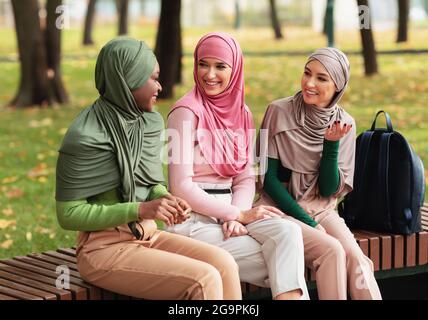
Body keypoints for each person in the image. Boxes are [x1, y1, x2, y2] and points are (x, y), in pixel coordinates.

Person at [55, 37, 242, 300]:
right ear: (127, 79)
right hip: (104, 249)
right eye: (152, 78)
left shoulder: (148, 122)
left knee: (223, 263)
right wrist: (140, 209)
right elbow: (69, 214)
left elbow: (149, 182)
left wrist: (163, 198)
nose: (160, 86)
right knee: (203, 279)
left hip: (148, 236)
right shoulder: (85, 136)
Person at [166, 32, 309, 300]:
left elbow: (244, 179)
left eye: (220, 66)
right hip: (191, 221)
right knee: (282, 261)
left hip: (233, 213)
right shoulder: (184, 112)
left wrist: (237, 214)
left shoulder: (242, 114)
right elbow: (180, 186)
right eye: (203, 64)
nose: (210, 74)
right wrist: (234, 215)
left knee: (288, 232)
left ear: (235, 68)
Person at [256, 47, 382, 300]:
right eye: (307, 73)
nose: (310, 83)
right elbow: (267, 180)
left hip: (322, 208)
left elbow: (327, 190)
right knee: (332, 250)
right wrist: (309, 221)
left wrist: (331, 144)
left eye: (322, 78)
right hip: (279, 209)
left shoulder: (345, 122)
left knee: (357, 259)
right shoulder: (277, 111)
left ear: (338, 86)